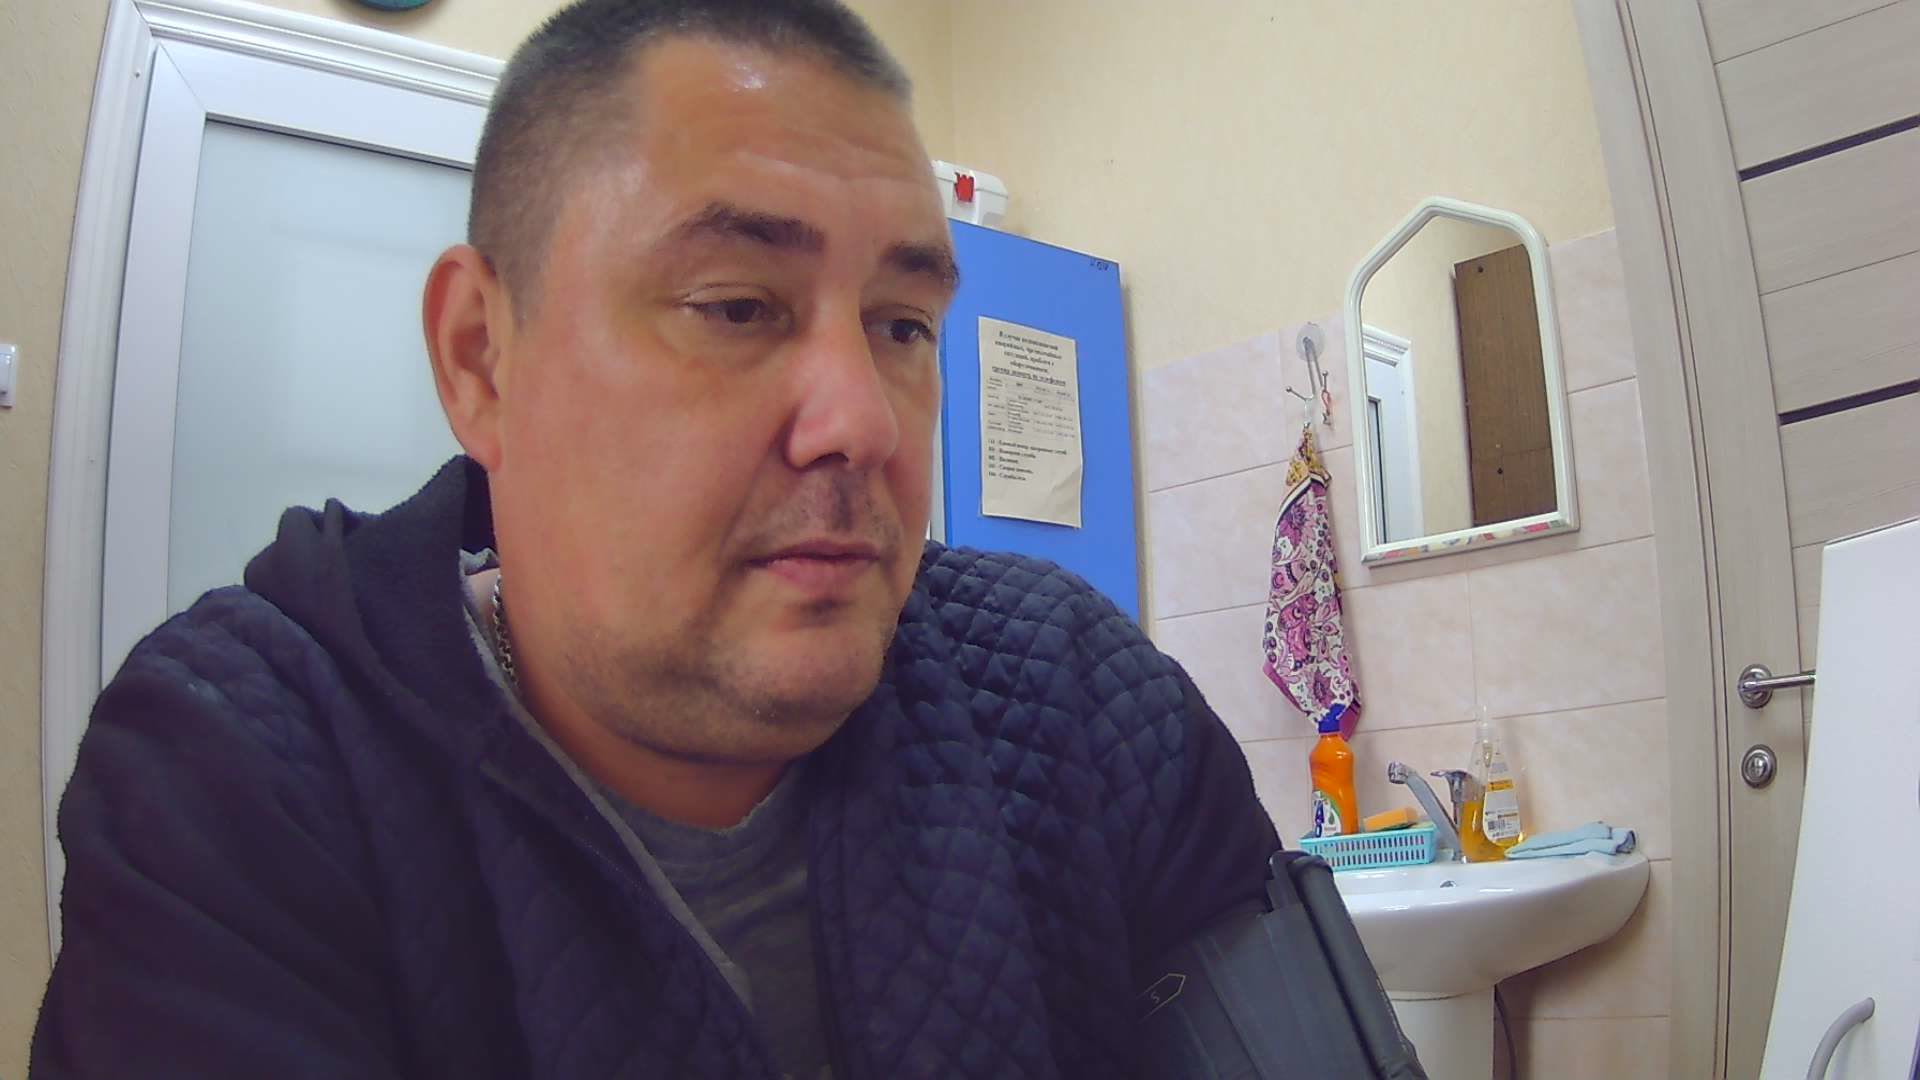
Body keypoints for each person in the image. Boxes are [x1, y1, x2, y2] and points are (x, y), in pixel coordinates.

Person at [31, 1, 1282, 1076]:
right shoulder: (239, 785)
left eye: (902, 325)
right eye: (736, 306)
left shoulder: (1077, 702)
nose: (861, 422)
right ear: (481, 360)